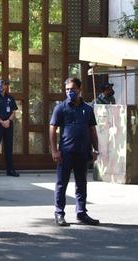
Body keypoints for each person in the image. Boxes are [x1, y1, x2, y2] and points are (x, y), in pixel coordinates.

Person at [50, 77, 100, 227]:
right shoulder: (61, 108)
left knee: (81, 184)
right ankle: (59, 214)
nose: (69, 92)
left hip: (82, 153)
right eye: (67, 90)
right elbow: (52, 128)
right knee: (61, 184)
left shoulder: (88, 109)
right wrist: (54, 150)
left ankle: (81, 213)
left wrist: (95, 149)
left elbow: (92, 130)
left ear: (79, 89)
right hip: (65, 153)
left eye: (72, 89)